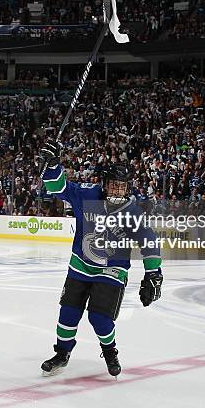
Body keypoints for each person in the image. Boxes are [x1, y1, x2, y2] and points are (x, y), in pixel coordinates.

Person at [39, 140, 163, 378]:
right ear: (105, 184)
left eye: (122, 186)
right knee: (68, 314)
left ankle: (109, 351)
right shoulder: (87, 195)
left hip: (112, 271)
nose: (117, 190)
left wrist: (153, 273)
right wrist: (54, 165)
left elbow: (148, 241)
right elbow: (57, 187)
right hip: (80, 266)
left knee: (100, 319)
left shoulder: (132, 211)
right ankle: (62, 354)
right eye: (113, 185)